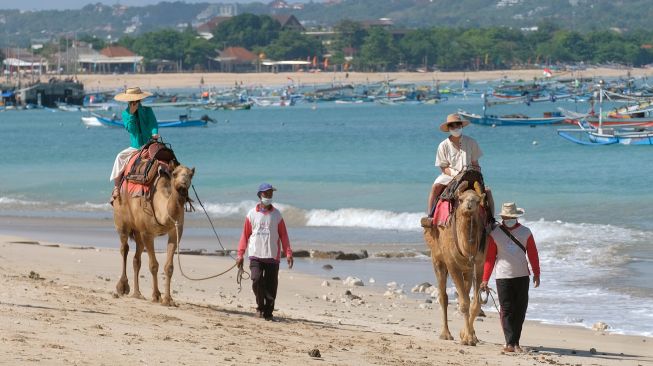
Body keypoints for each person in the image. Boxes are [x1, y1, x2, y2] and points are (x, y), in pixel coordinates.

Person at [480, 202, 540, 353]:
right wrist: (485, 279)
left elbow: (533, 254)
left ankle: (515, 342)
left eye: (511, 217)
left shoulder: (526, 232)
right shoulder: (496, 234)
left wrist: (537, 273)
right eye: (506, 217)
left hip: (522, 276)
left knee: (520, 310)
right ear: (503, 217)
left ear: (516, 217)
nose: (509, 219)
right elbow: (490, 259)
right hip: (503, 277)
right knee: (506, 310)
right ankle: (509, 343)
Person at [236, 183, 293, 321]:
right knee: (256, 280)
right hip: (256, 255)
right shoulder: (251, 214)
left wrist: (289, 253)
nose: (269, 196)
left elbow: (284, 235)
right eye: (266, 194)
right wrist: (240, 254)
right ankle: (260, 307)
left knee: (271, 287)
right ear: (259, 195)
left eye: (270, 194)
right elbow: (245, 235)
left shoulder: (277, 215)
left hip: (272, 257)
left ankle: (268, 313)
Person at [426, 113, 483, 217]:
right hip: (449, 176)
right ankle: (430, 216)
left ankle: (490, 220)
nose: (455, 127)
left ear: (462, 126)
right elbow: (443, 167)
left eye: (458, 124)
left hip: (469, 175)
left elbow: (475, 164)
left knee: (487, 192)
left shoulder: (471, 142)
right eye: (452, 125)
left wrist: (478, 176)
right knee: (435, 187)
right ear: (448, 128)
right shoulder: (443, 145)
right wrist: (455, 174)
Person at [109, 87, 159, 203]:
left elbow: (153, 124)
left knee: (167, 157)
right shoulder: (125, 114)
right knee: (119, 157)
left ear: (140, 100)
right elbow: (132, 130)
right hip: (135, 147)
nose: (134, 103)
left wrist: (155, 133)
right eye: (132, 101)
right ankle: (116, 187)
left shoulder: (148, 111)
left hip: (150, 143)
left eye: (136, 101)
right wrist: (131, 114)